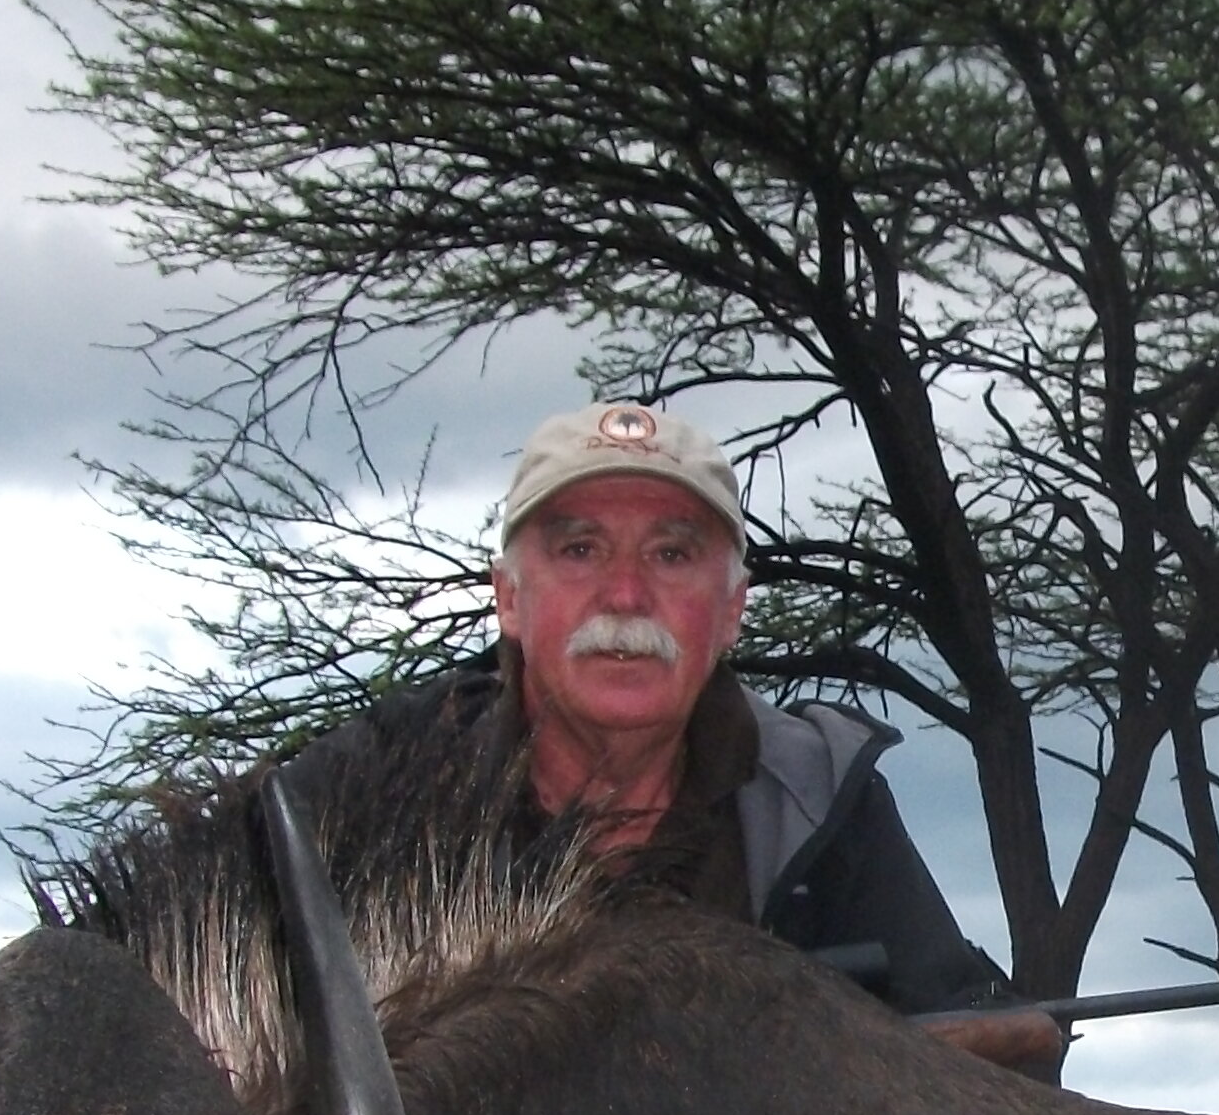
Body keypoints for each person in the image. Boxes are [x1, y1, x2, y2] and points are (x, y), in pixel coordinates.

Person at [310, 401, 1065, 1078]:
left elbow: (1002, 1067)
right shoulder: (372, 787)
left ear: (732, 610)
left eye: (672, 555)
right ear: (509, 596)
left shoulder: (819, 792)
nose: (627, 596)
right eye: (580, 550)